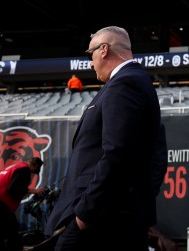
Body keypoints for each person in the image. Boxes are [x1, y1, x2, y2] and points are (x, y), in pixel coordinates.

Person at [45, 26, 166, 251]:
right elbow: (156, 154)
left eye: (90, 54)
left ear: (103, 50)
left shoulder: (125, 83)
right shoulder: (134, 82)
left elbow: (116, 154)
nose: (90, 63)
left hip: (102, 221)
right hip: (112, 217)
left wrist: (83, 216)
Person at [0, 157, 46, 251]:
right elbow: (13, 188)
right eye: (38, 168)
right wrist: (33, 191)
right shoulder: (24, 170)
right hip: (2, 202)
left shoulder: (17, 166)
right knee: (12, 230)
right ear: (35, 165)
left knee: (9, 229)